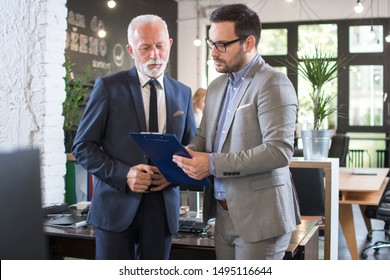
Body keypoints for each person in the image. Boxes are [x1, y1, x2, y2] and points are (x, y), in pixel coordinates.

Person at [172, 4, 300, 260]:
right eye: (211, 43)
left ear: (249, 42)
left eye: (222, 45)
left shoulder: (273, 83)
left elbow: (278, 152)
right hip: (222, 214)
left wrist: (211, 163)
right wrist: (189, 152)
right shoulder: (217, 86)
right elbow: (204, 137)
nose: (213, 53)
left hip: (261, 218)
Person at [72, 14, 196, 260]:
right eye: (145, 48)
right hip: (115, 207)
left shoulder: (184, 93)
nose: (154, 55)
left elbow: (192, 148)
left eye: (160, 46)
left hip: (162, 212)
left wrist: (172, 175)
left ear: (169, 44)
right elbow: (83, 146)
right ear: (130, 49)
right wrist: (124, 174)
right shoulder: (108, 87)